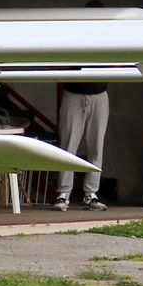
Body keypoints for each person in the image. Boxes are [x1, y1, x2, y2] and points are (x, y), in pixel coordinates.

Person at [55, 80, 108, 211]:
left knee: (96, 147)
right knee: (68, 147)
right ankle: (64, 193)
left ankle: (91, 193)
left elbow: (115, 65)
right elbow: (58, 66)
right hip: (73, 93)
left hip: (99, 93)